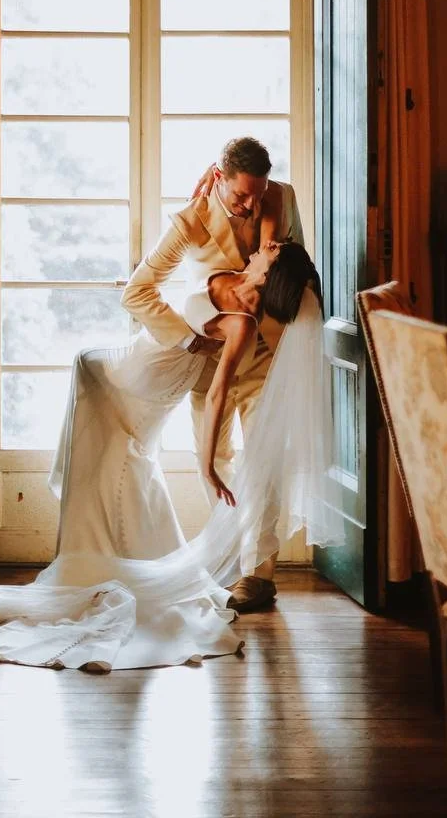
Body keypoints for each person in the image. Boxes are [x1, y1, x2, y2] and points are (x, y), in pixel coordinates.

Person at [0, 239, 340, 672]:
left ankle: (91, 556)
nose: (267, 242)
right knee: (106, 442)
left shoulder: (243, 324)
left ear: (269, 274)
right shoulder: (230, 269)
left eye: (273, 249)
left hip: (150, 377)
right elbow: (163, 285)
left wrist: (207, 465)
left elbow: (217, 395)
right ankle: (97, 552)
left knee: (92, 386)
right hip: (143, 355)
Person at [121, 136, 303, 613]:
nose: (250, 205)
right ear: (218, 178)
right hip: (213, 355)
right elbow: (137, 292)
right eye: (241, 195)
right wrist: (188, 339)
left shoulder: (279, 198)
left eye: (257, 194)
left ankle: (257, 575)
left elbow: (292, 258)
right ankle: (227, 557)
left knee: (265, 460)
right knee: (216, 459)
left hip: (265, 353)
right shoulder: (189, 221)